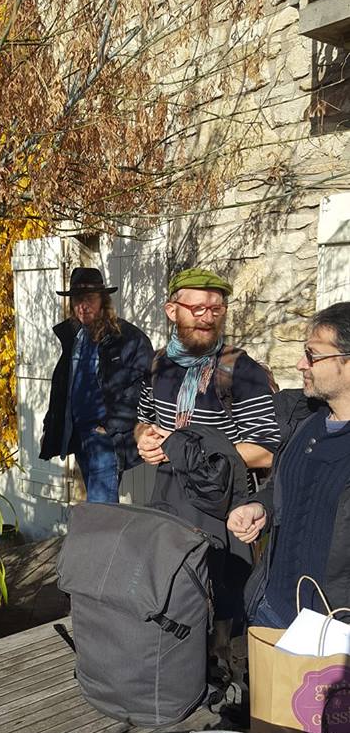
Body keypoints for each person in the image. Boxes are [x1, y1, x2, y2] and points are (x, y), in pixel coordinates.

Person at [134, 267, 280, 666]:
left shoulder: (241, 371)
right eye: (197, 308)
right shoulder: (158, 364)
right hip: (168, 497)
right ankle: (178, 665)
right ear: (172, 310)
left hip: (224, 505)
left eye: (216, 309)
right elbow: (143, 419)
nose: (207, 317)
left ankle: (224, 665)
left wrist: (188, 451)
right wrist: (144, 438)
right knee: (174, 588)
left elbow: (268, 449)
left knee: (226, 598)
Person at [228, 301, 350, 628]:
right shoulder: (305, 422)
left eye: (312, 355)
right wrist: (260, 507)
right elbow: (284, 488)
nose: (300, 364)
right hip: (271, 610)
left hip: (332, 630)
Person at [39, 266, 153, 503]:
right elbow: (63, 387)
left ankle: (103, 531)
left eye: (89, 298)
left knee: (102, 507)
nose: (83, 306)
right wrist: (52, 426)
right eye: (77, 300)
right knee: (96, 503)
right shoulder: (75, 337)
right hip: (78, 434)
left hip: (105, 438)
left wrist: (111, 425)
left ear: (103, 300)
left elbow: (144, 386)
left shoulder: (127, 338)